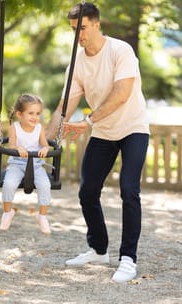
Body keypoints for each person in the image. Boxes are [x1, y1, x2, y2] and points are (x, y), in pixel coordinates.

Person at [46, 3, 149, 282]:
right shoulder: (77, 62)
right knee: (87, 191)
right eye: (73, 30)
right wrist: (42, 142)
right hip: (103, 131)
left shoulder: (120, 51)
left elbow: (122, 93)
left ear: (96, 24)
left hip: (133, 128)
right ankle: (99, 249)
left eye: (82, 28)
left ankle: (127, 258)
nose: (78, 35)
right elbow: (64, 106)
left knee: (129, 189)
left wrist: (88, 122)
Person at [0, 93, 51, 234]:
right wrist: (17, 148)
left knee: (45, 185)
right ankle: (8, 212)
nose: (35, 117)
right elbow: (11, 145)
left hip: (36, 165)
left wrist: (45, 149)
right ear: (20, 114)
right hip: (17, 164)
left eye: (38, 113)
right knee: (8, 184)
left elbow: (45, 145)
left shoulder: (39, 128)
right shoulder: (14, 127)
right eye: (31, 113)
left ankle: (42, 216)